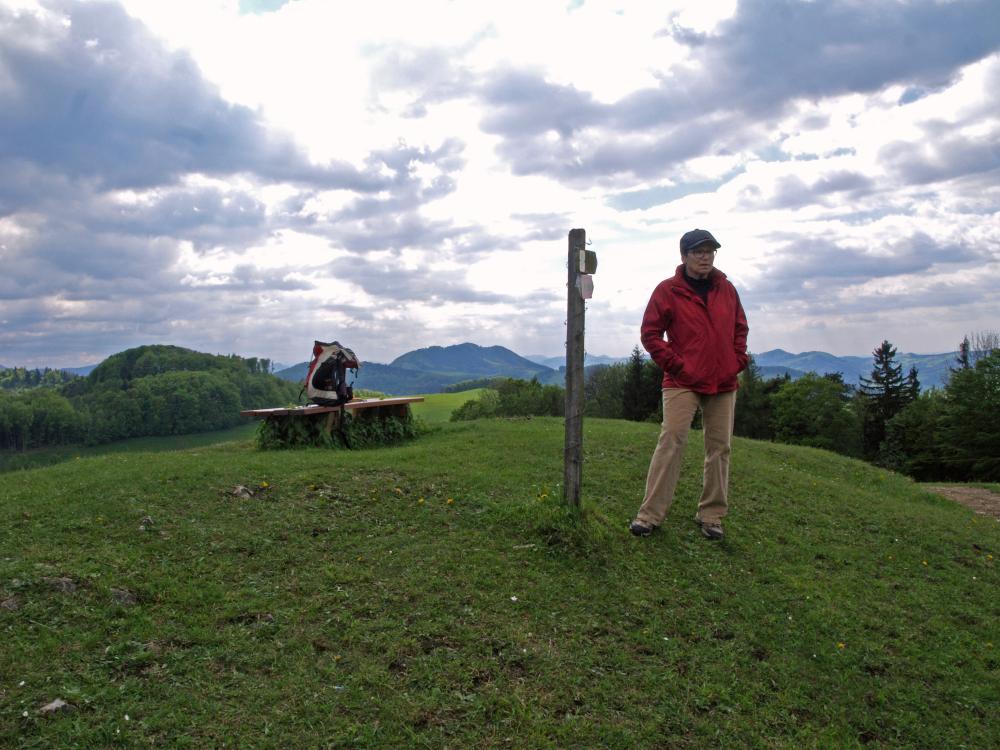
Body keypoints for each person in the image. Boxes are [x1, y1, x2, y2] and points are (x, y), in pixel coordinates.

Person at [629, 228, 749, 540]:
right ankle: (649, 515)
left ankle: (711, 516)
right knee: (671, 440)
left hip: (723, 380)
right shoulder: (667, 290)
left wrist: (737, 361)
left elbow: (740, 328)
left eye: (710, 251)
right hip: (682, 380)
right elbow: (650, 334)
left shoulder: (727, 289)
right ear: (684, 256)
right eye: (698, 251)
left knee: (720, 447)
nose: (705, 256)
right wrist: (678, 365)